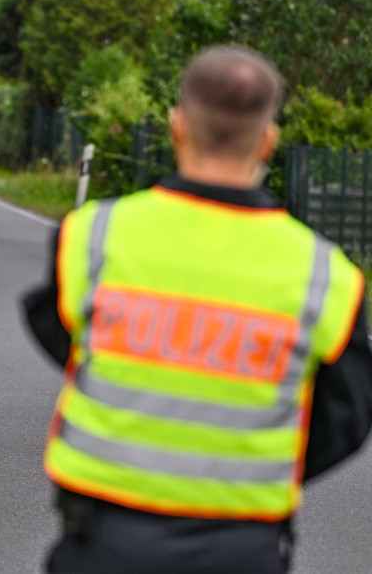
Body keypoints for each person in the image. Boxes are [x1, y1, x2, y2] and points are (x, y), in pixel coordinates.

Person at [21, 46, 371, 573]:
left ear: (177, 126)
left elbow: (59, 330)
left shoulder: (93, 236)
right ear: (269, 141)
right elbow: (346, 416)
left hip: (104, 540)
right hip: (242, 548)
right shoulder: (328, 276)